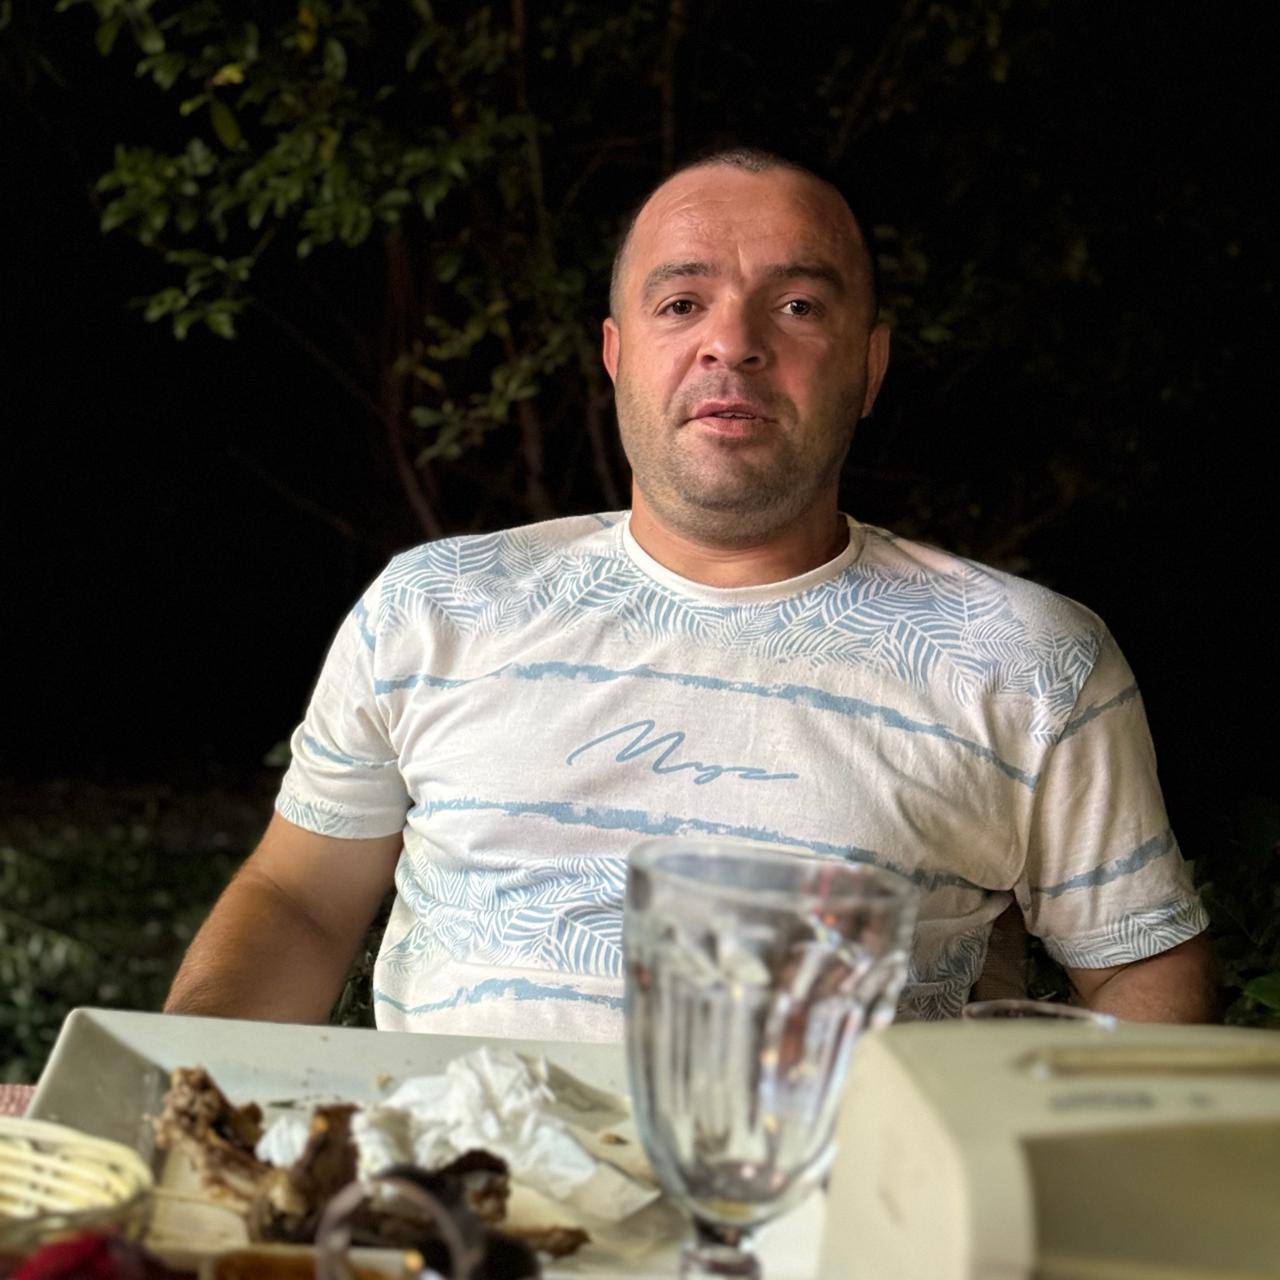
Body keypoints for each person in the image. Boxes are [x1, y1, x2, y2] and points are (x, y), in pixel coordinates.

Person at [166, 148, 1216, 1038]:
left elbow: (1137, 967)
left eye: (797, 305)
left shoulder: (1026, 657)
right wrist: (173, 1090)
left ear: (869, 367)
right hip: (451, 1195)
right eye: (680, 303)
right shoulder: (433, 608)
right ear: (617, 355)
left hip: (841, 1207)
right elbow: (298, 901)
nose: (733, 342)